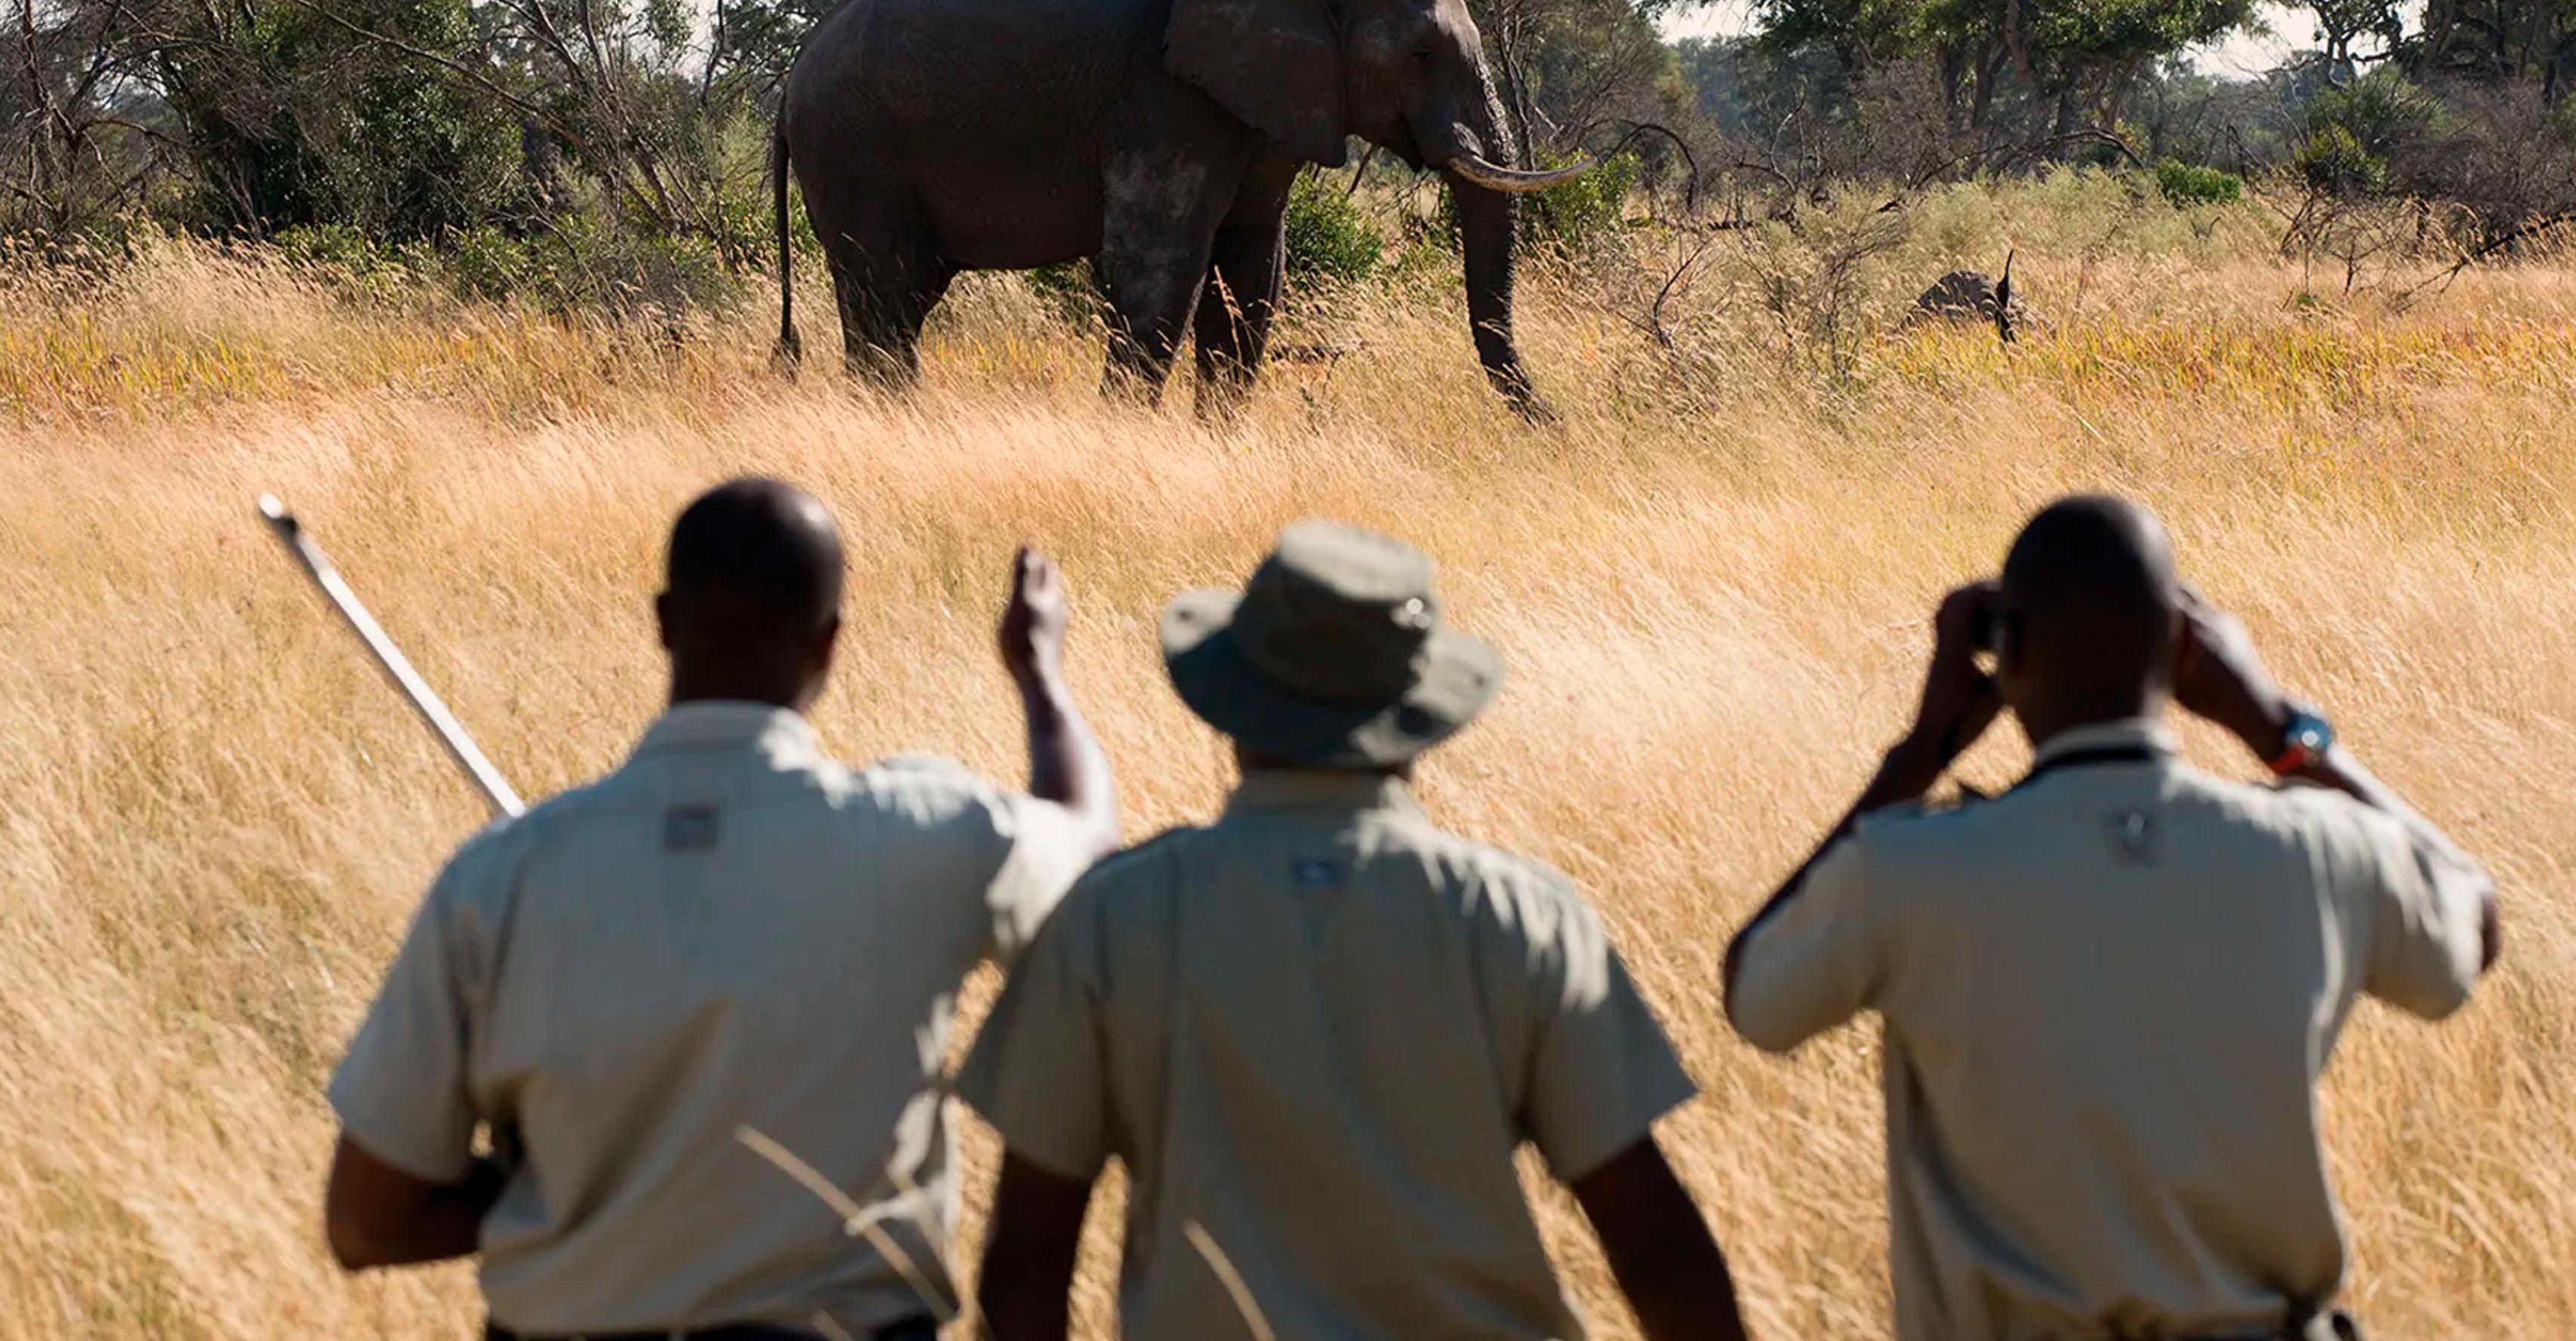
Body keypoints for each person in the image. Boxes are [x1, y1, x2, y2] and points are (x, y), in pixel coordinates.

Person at [321, 478, 1116, 1341]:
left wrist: (551, 1181)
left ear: (663, 622)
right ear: (830, 644)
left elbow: (366, 1224)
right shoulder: (924, 837)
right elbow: (1088, 851)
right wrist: (1041, 676)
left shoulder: (502, 877)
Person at [1725, 494, 2502, 1341]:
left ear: (2003, 650)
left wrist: (1918, 756)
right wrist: (2277, 724)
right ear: (2181, 652)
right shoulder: (2311, 849)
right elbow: (2471, 921)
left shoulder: (1913, 870)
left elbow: (1755, 996)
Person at [958, 520, 1748, 1341]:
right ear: (1416, 717)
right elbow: (1651, 1237)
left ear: (1236, 703)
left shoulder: (1114, 916)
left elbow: (1028, 1261)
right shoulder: (1520, 917)